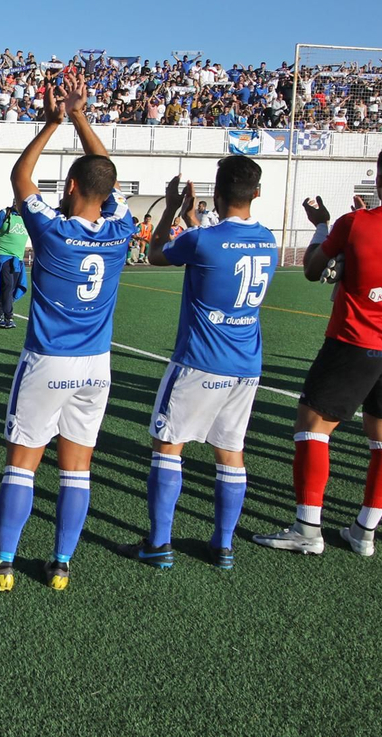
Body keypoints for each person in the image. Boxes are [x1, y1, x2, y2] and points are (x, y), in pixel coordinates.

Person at [0, 74, 135, 593]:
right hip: (96, 366)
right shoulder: (120, 229)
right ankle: (61, 564)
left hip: (47, 359)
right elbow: (104, 175)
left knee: (22, 464)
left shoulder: (52, 227)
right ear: (108, 196)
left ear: (68, 188)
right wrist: (83, 117)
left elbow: (21, 177)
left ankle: (3, 563)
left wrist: (52, 122)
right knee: (77, 468)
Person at [253, 145, 382, 557]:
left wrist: (324, 227)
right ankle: (365, 531)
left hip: (356, 341)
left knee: (312, 428)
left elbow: (312, 269)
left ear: (379, 179)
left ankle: (308, 529)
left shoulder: (357, 222)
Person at [137, 158, 276, 571]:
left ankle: (159, 543)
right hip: (246, 364)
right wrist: (193, 217)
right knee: (231, 452)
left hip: (201, 360)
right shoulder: (267, 239)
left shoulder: (204, 241)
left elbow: (156, 254)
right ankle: (223, 545)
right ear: (257, 193)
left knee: (168, 446)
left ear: (217, 194)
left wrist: (171, 211)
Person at [0, 196, 29, 329]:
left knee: (10, 288)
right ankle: (9, 317)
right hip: (4, 257)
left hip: (17, 259)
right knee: (8, 286)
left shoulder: (27, 218)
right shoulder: (4, 213)